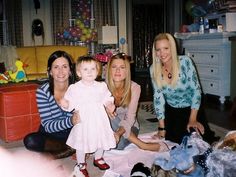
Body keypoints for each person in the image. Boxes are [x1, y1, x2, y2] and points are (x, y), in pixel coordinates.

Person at [150, 33, 219, 144]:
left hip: (192, 108)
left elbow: (196, 91)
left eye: (166, 48)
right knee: (175, 142)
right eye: (158, 50)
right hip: (172, 110)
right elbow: (158, 99)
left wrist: (193, 119)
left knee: (199, 141)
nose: (162, 53)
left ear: (172, 47)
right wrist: (162, 128)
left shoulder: (185, 61)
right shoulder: (153, 69)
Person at [60, 56, 116, 177]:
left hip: (99, 119)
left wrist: (110, 104)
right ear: (79, 72)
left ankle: (98, 157)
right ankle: (81, 163)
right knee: (81, 142)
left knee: (101, 139)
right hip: (83, 120)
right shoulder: (74, 88)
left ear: (98, 71)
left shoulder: (101, 86)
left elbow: (107, 97)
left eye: (93, 69)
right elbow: (70, 103)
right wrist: (65, 104)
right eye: (85, 69)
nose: (90, 72)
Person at [23, 50, 80, 159]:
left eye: (64, 66)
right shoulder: (43, 92)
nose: (60, 72)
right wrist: (71, 120)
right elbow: (48, 126)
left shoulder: (79, 89)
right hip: (52, 133)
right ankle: (70, 149)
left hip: (74, 133)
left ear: (70, 70)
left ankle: (66, 149)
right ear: (49, 72)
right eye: (56, 67)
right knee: (30, 141)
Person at [106, 53, 166, 151]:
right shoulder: (101, 88)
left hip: (129, 127)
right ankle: (143, 145)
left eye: (122, 67)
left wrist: (118, 133)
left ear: (127, 71)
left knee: (118, 145)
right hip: (107, 126)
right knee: (104, 114)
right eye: (114, 67)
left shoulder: (134, 88)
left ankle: (143, 145)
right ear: (109, 70)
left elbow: (130, 119)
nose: (117, 70)